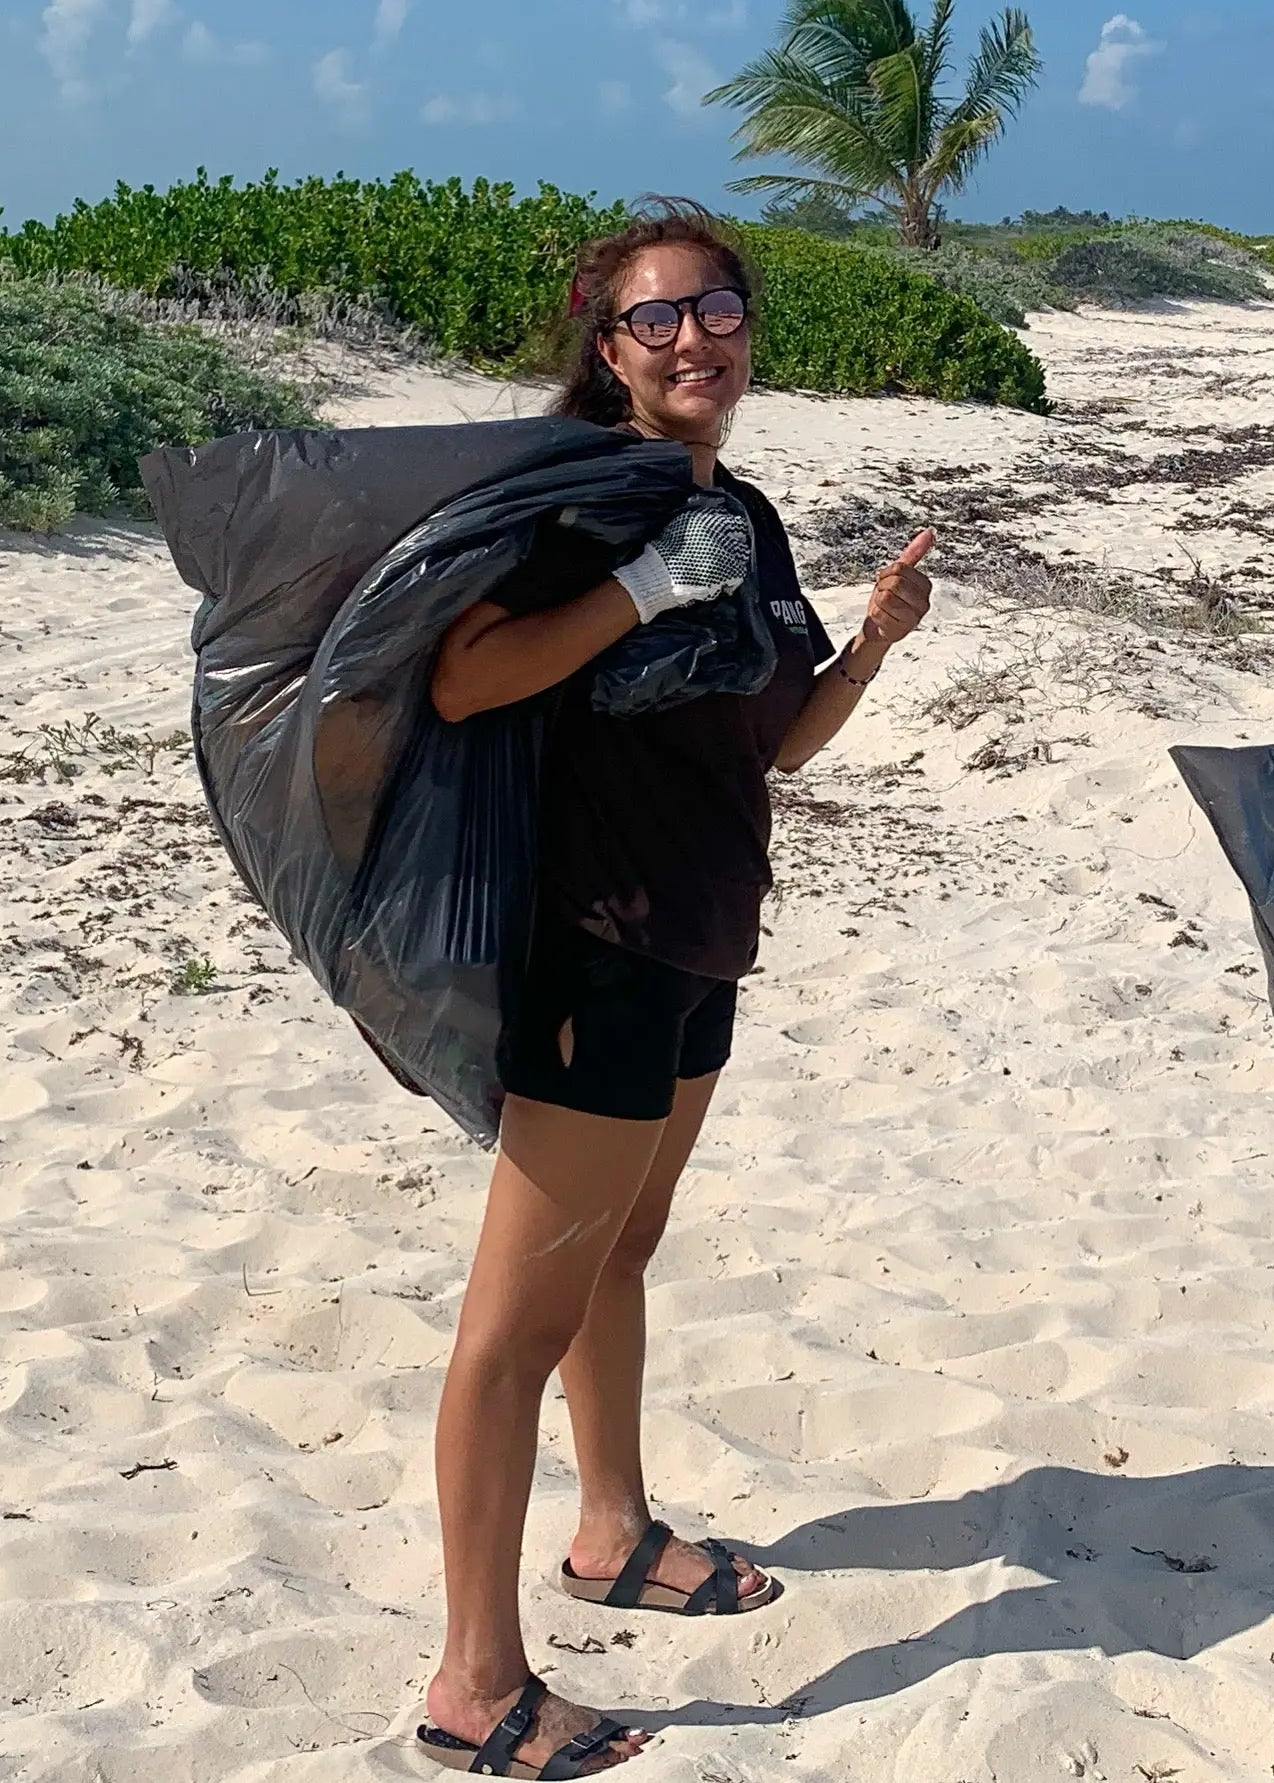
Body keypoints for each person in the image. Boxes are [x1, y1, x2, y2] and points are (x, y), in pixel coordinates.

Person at [413, 199, 935, 1776]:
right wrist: (638, 592)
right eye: (660, 318)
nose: (695, 339)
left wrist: (867, 655)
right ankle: (474, 1681)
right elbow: (463, 675)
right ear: (608, 342)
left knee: (626, 1248)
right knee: (513, 1325)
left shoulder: (748, 511)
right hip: (594, 946)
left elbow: (771, 744)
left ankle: (614, 1530)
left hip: (704, 935)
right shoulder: (573, 510)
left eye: (718, 310)